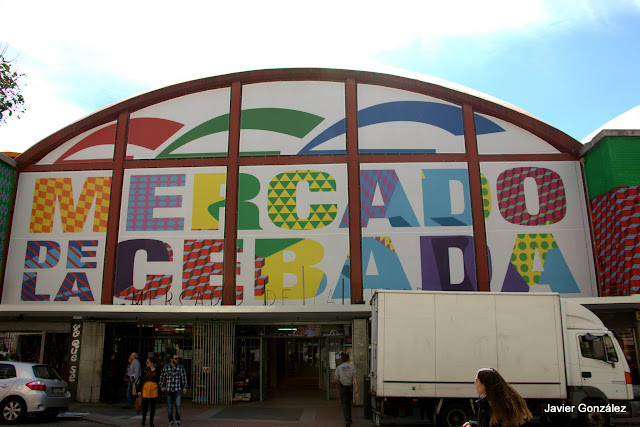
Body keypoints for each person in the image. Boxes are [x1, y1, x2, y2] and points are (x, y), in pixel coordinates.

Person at [463, 368, 532, 427]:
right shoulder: (487, 403)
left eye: (476, 381)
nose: (475, 384)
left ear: (484, 384)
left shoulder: (500, 407)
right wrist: (473, 424)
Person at [159, 354, 188, 427]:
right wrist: (161, 386)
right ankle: (171, 421)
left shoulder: (180, 367)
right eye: (175, 359)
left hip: (177, 388)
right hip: (169, 388)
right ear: (171, 359)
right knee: (170, 406)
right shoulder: (166, 367)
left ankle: (177, 420)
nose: (176, 360)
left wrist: (185, 387)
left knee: (178, 405)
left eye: (177, 358)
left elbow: (184, 377)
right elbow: (162, 376)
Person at [334, 352, 358, 427]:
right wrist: (356, 387)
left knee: (344, 404)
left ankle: (347, 420)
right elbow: (354, 378)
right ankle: (349, 418)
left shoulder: (339, 367)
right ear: (348, 359)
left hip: (343, 387)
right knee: (348, 403)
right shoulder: (352, 367)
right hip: (350, 387)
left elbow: (336, 378)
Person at [138, 357, 160, 427]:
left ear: (152, 363)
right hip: (146, 388)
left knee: (153, 406)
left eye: (148, 362)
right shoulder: (145, 370)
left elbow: (159, 379)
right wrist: (139, 390)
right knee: (145, 405)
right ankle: (143, 420)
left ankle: (151, 421)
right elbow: (141, 380)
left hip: (154, 388)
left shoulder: (157, 370)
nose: (146, 363)